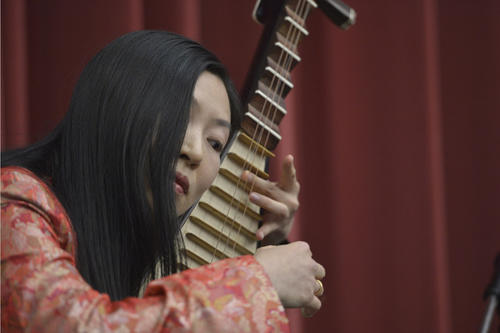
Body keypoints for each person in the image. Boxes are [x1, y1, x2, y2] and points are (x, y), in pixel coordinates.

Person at [1, 30, 325, 332]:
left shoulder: (151, 257)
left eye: (215, 143)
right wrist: (257, 281)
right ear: (117, 106)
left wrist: (258, 239)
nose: (195, 152)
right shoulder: (14, 201)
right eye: (181, 115)